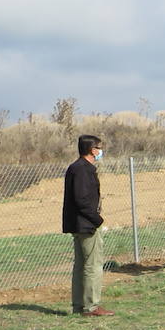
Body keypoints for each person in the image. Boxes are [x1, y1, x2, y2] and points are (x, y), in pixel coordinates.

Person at [62, 133, 113, 316]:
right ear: (92, 150)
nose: (101, 151)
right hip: (86, 225)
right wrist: (97, 220)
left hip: (80, 224)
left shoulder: (75, 168)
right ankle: (91, 306)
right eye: (99, 148)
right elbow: (82, 200)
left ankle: (79, 306)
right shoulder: (83, 169)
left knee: (81, 266)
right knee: (92, 266)